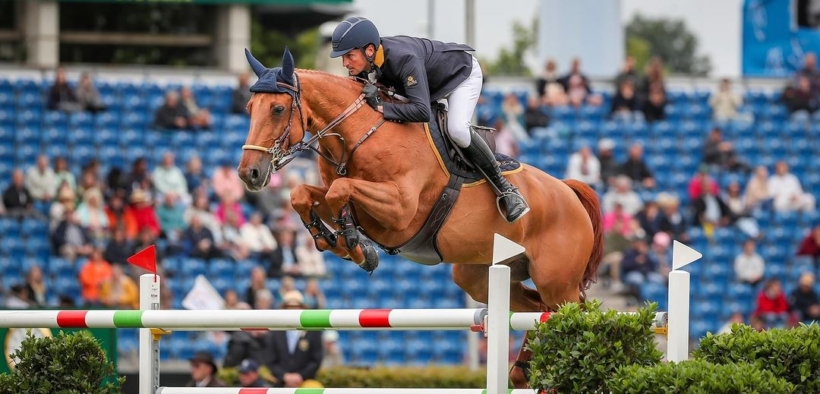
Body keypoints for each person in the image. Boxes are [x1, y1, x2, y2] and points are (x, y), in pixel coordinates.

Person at [328, 16, 529, 223]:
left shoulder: (403, 58)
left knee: (457, 129)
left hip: (461, 75)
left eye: (349, 56)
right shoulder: (372, 60)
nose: (345, 63)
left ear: (369, 50)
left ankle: (506, 189)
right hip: (429, 85)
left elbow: (422, 111)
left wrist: (380, 106)